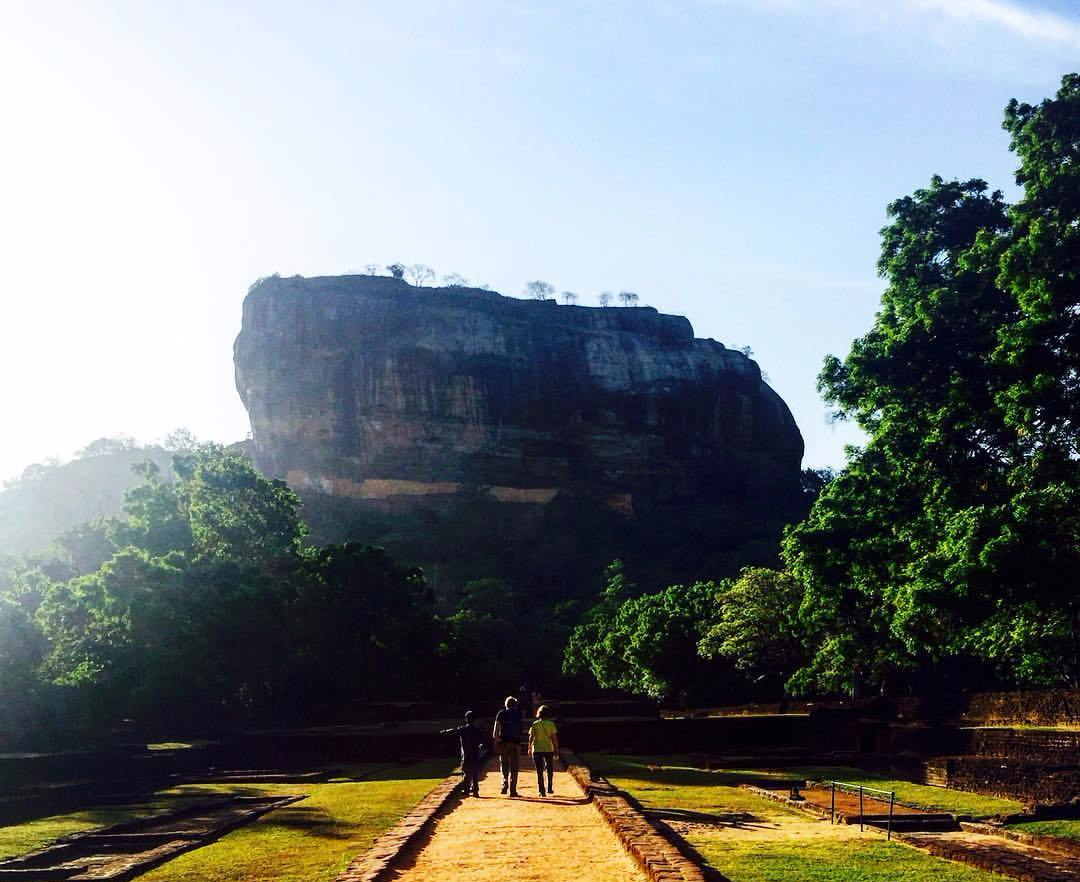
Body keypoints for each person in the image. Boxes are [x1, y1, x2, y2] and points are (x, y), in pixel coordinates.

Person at [440, 710, 486, 797]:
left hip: (466, 754)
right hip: (475, 754)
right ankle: (475, 790)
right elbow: (483, 740)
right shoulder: (477, 730)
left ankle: (466, 789)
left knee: (466, 772)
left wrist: (445, 732)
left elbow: (453, 730)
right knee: (475, 773)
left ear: (466, 719)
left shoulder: (463, 729)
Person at [492, 696, 523, 796]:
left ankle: (505, 782)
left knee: (504, 764)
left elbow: (495, 731)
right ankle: (513, 790)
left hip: (504, 742)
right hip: (516, 743)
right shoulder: (518, 714)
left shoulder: (501, 713)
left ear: (506, 704)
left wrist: (496, 742)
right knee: (514, 767)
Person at [528, 704, 559, 797]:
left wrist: (529, 747)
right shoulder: (551, 724)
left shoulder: (535, 724)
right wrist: (556, 749)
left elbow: (531, 737)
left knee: (539, 771)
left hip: (537, 749)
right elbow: (554, 738)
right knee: (549, 769)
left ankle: (542, 791)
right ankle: (549, 787)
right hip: (548, 749)